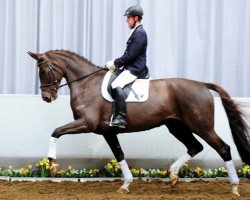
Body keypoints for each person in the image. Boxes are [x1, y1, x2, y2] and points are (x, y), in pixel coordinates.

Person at [106, 5, 149, 128]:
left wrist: (115, 62)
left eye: (129, 17)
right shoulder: (135, 32)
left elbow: (131, 55)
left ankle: (120, 117)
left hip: (135, 69)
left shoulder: (140, 33)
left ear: (136, 18)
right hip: (131, 66)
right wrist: (116, 64)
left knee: (115, 84)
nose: (126, 20)